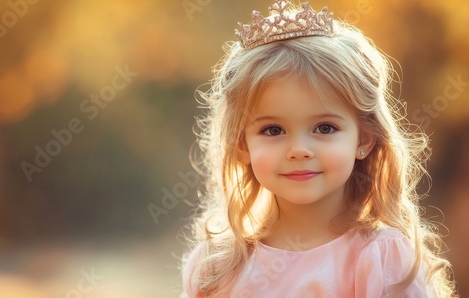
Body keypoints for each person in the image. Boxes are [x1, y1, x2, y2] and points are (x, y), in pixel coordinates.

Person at [181, 1, 457, 297]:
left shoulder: (380, 258)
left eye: (325, 128)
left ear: (364, 139)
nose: (299, 150)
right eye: (273, 130)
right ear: (242, 145)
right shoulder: (216, 266)